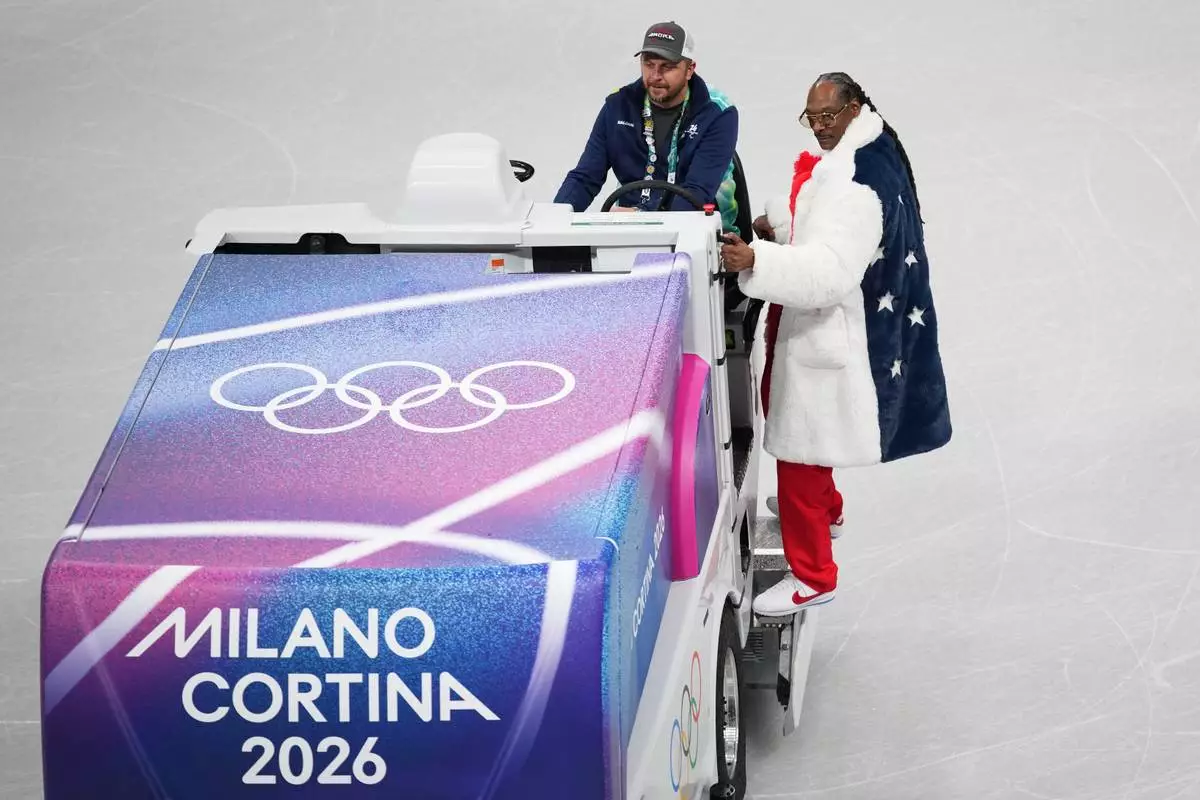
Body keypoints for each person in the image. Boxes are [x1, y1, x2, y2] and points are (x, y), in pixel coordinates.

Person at [719, 72, 952, 616]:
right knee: (817, 447)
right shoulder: (868, 146)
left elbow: (828, 272)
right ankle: (831, 509)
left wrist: (758, 259)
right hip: (835, 335)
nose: (819, 128)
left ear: (853, 107)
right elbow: (821, 217)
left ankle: (814, 574)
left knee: (799, 458)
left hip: (831, 337)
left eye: (827, 117)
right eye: (812, 118)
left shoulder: (853, 188)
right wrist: (781, 219)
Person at [553, 21, 742, 234]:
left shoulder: (718, 112)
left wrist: (642, 220)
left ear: (690, 69)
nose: (655, 75)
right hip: (628, 231)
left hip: (699, 235)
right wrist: (553, 225)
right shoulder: (617, 105)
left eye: (667, 67)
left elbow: (697, 192)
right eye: (648, 64)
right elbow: (585, 178)